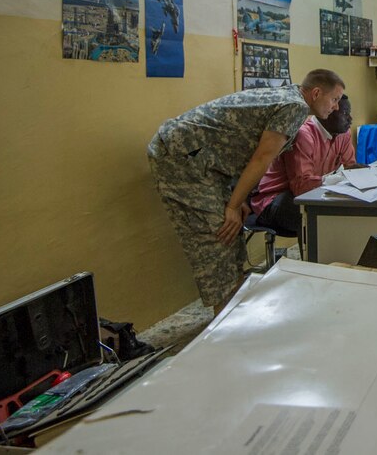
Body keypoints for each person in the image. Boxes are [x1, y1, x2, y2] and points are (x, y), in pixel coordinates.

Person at [147, 69, 345, 312]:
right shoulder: (294, 106)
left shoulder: (291, 100)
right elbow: (261, 158)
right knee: (217, 234)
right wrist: (232, 205)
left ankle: (233, 310)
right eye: (334, 99)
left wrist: (237, 198)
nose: (336, 107)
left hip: (206, 162)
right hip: (181, 156)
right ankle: (223, 321)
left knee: (233, 231)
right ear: (316, 93)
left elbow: (243, 149)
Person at [250, 93, 362, 231]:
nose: (350, 119)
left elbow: (349, 169)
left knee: (350, 207)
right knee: (316, 217)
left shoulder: (343, 134)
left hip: (310, 192)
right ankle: (316, 252)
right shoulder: (303, 135)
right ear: (327, 113)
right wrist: (341, 175)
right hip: (275, 199)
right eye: (345, 113)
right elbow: (301, 186)